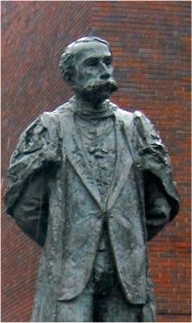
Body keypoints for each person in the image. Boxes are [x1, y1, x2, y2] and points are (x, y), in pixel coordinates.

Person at [5, 37, 179, 322]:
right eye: (92, 63)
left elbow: (160, 205)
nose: (104, 69)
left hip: (126, 275)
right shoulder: (50, 129)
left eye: (107, 62)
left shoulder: (136, 128)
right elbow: (26, 206)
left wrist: (124, 237)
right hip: (68, 278)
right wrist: (68, 239)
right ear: (70, 74)